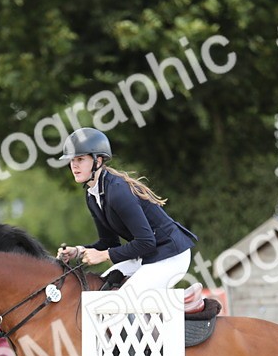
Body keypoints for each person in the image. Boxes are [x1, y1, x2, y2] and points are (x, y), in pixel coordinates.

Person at [57, 128, 205, 311]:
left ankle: (180, 302)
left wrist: (103, 255)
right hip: (147, 254)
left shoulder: (117, 191)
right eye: (72, 160)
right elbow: (109, 242)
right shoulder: (92, 195)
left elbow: (146, 242)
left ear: (98, 160)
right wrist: (79, 251)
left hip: (170, 254)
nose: (74, 166)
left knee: (117, 305)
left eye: (80, 159)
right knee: (100, 292)